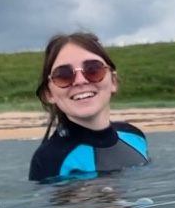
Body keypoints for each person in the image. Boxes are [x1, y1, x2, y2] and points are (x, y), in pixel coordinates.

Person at [29, 32, 149, 182]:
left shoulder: (135, 136)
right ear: (49, 93)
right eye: (63, 75)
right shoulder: (50, 160)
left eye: (93, 69)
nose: (80, 81)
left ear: (113, 81)